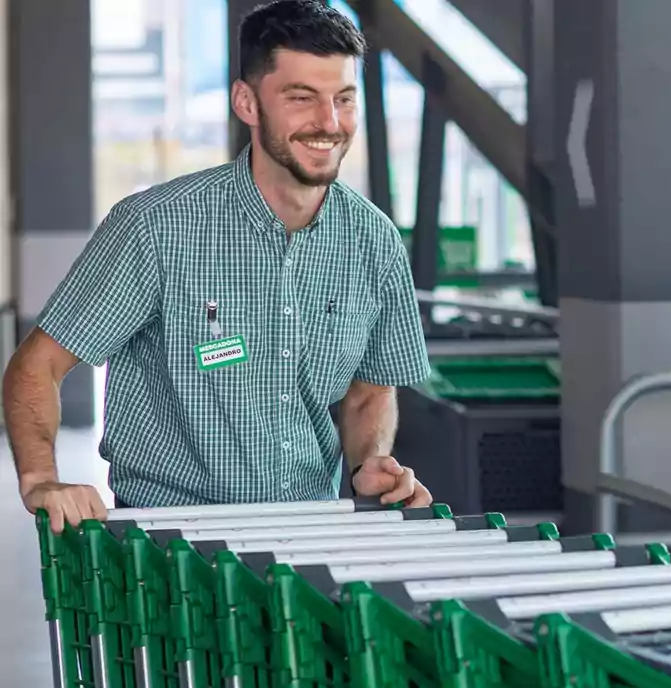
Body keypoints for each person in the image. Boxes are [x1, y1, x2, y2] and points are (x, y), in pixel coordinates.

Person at [2, 0, 433, 533]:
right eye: (301, 98)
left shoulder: (375, 242)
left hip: (316, 535)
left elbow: (371, 388)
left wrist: (369, 465)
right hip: (169, 549)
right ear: (247, 102)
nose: (329, 122)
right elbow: (37, 366)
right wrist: (42, 478)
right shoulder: (156, 228)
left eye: (343, 99)